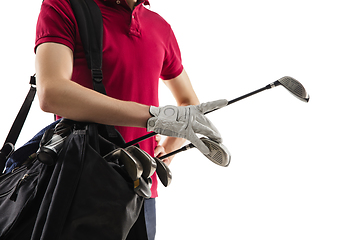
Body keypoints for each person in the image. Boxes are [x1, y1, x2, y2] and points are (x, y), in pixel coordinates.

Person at [34, 0, 226, 239]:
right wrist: (154, 118)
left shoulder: (160, 26)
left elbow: (188, 102)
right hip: (80, 187)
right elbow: (52, 93)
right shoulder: (64, 5)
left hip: (142, 191)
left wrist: (166, 152)